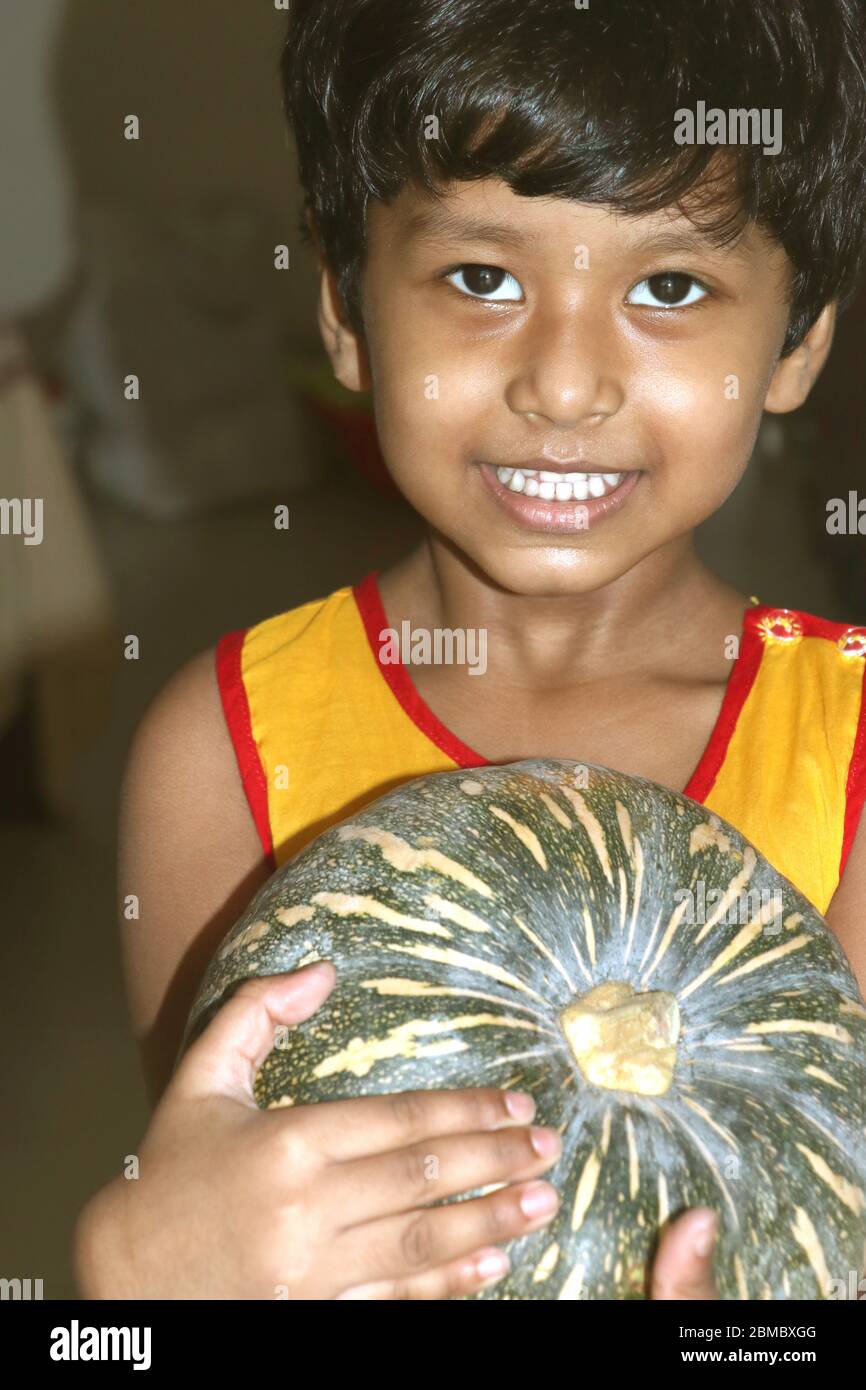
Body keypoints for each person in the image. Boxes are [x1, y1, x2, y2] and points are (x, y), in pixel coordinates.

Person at [73, 0, 866, 1300]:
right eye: (481, 278)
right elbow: (223, 1210)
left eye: (667, 286)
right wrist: (137, 1275)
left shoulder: (844, 742)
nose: (562, 382)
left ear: (796, 342)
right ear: (343, 308)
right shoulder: (221, 750)